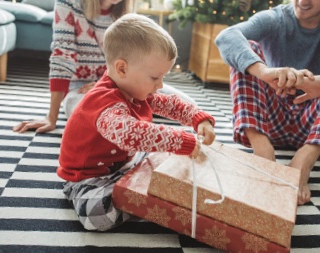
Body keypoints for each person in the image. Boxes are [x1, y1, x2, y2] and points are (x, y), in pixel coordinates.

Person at [56, 13, 216, 231]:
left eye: (163, 78)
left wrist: (200, 119)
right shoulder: (103, 103)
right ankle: (144, 196)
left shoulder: (136, 91)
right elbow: (130, 134)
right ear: (122, 69)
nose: (160, 85)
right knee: (96, 215)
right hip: (89, 180)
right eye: (154, 78)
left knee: (160, 155)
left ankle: (139, 190)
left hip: (126, 164)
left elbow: (171, 104)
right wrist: (179, 140)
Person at [215, 0, 320, 205]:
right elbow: (226, 37)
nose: (303, 1)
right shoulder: (275, 18)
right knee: (245, 51)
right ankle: (263, 153)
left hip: (316, 127)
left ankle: (304, 160)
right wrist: (265, 72)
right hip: (270, 121)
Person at [13, 0, 195, 134]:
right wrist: (51, 117)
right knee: (93, 120)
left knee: (190, 106)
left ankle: (131, 113)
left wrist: (106, 81)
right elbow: (63, 56)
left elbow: (132, 64)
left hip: (123, 82)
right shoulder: (68, 4)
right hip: (81, 88)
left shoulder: (124, 12)